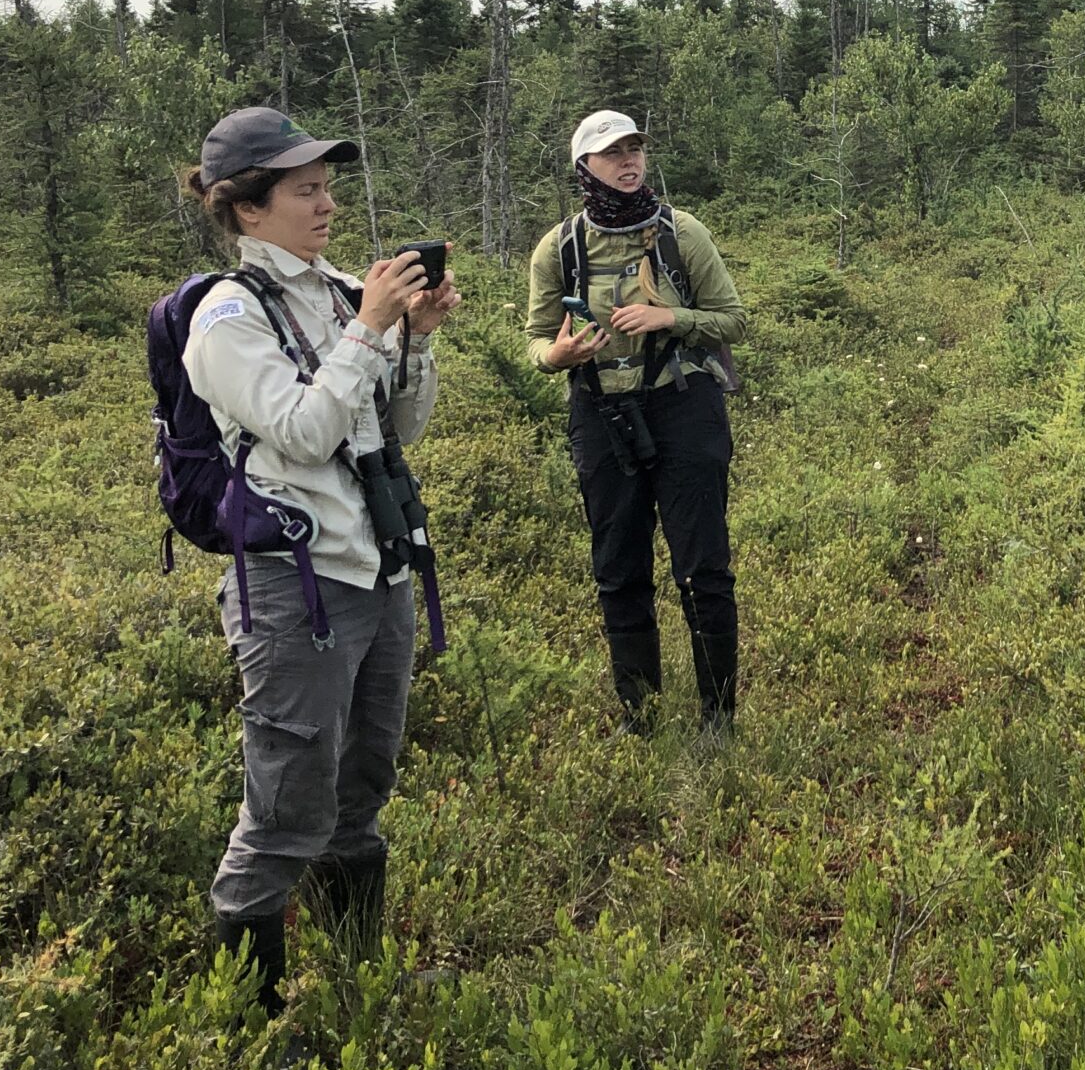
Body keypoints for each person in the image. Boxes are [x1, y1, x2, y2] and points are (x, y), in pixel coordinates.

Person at [180, 106, 459, 1014]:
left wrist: (412, 337)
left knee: (361, 784)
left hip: (376, 572)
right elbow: (301, 433)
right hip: (294, 587)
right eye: (305, 190)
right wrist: (368, 331)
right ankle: (250, 1016)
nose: (326, 203)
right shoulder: (227, 318)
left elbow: (393, 429)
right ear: (248, 211)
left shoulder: (341, 292)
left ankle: (356, 976)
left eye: (327, 186)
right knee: (286, 804)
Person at [526, 109, 749, 737]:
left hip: (683, 407)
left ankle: (718, 719)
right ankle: (640, 716)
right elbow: (536, 337)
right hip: (600, 414)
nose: (628, 162)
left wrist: (669, 320)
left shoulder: (683, 234)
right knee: (618, 568)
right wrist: (557, 356)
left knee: (702, 566)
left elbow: (733, 320)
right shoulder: (561, 247)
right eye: (612, 153)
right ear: (584, 167)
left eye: (635, 149)